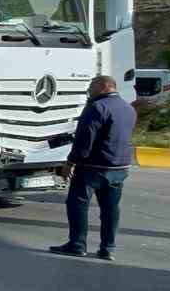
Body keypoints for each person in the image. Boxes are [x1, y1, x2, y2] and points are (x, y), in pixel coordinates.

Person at [50, 75, 135, 261]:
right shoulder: (128, 108)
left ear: (104, 86)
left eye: (92, 86)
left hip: (93, 167)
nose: (89, 90)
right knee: (110, 208)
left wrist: (70, 162)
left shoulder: (97, 107)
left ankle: (77, 245)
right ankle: (108, 248)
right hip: (120, 167)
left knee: (77, 205)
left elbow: (84, 141)